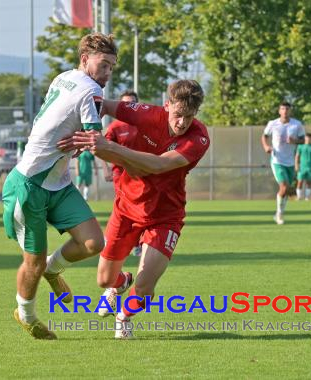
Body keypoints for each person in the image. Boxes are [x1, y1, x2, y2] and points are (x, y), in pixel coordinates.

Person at [57, 79, 209, 339]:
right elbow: (101, 104)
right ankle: (121, 283)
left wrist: (110, 148)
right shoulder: (148, 114)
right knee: (104, 281)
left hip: (165, 217)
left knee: (146, 286)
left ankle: (123, 317)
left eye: (189, 116)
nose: (182, 122)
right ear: (167, 106)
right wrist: (80, 130)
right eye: (177, 114)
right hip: (126, 209)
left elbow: (158, 166)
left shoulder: (199, 137)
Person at [2, 32, 117, 339]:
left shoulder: (63, 76)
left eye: (111, 67)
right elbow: (98, 142)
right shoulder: (91, 91)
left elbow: (62, 124)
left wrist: (77, 144)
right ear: (85, 59)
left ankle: (54, 269)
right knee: (33, 263)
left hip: (59, 182)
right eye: (103, 64)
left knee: (94, 243)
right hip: (29, 185)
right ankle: (25, 314)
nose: (107, 73)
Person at [105, 90, 143, 256]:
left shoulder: (143, 124)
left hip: (142, 174)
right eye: (125, 104)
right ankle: (124, 243)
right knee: (125, 209)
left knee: (143, 208)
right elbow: (102, 148)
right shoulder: (114, 127)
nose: (129, 107)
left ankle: (140, 242)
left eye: (132, 103)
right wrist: (106, 169)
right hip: (121, 176)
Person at [261, 101, 305, 224]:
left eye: (287, 109)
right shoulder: (273, 124)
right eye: (282, 109)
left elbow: (303, 140)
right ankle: (279, 214)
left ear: (290, 110)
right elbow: (264, 136)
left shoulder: (297, 125)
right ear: (279, 111)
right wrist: (266, 146)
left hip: (290, 162)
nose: (285, 111)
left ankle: (279, 213)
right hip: (277, 160)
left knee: (286, 189)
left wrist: (295, 140)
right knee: (284, 186)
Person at [295, 133, 311, 201]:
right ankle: (299, 197)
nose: (308, 139)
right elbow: (297, 156)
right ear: (305, 138)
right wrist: (296, 165)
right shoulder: (300, 146)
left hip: (310, 167)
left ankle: (307, 197)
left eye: (310, 138)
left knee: (309, 182)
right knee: (300, 182)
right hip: (302, 167)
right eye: (307, 137)